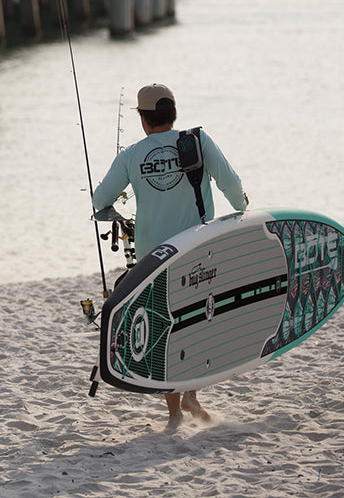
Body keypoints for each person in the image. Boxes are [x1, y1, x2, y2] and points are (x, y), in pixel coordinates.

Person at [92, 83, 249, 429]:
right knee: (200, 317)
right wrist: (243, 207)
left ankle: (176, 410)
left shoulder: (132, 155)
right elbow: (231, 184)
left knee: (166, 323)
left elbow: (99, 198)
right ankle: (190, 394)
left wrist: (114, 208)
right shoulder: (197, 142)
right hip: (198, 249)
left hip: (154, 259)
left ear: (144, 120)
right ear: (173, 113)